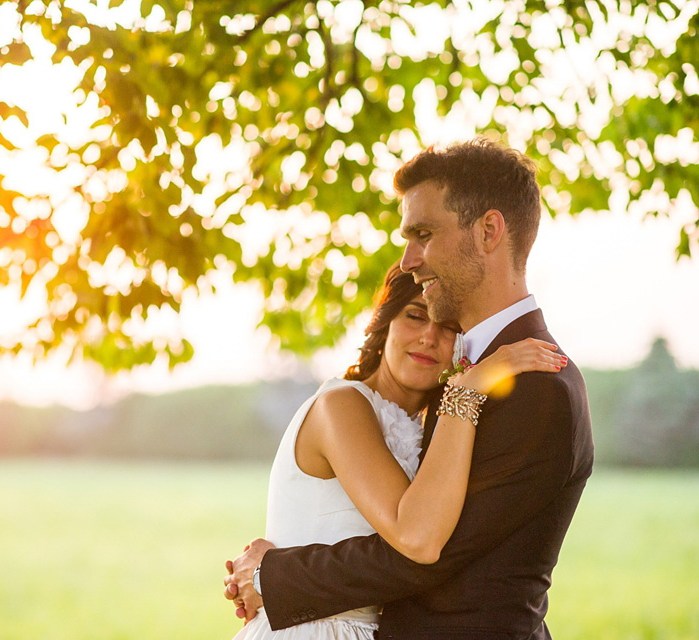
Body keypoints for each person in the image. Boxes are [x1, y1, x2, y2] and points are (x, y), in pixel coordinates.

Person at [224, 138, 595, 639]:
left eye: (423, 233)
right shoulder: (466, 376)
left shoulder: (535, 385)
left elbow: (429, 553)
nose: (409, 258)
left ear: (489, 230)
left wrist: (277, 574)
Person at [227, 261, 565, 640]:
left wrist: (270, 576)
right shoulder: (341, 406)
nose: (428, 337)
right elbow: (417, 537)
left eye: (450, 328)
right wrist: (469, 389)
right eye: (415, 316)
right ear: (385, 321)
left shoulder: (432, 431)